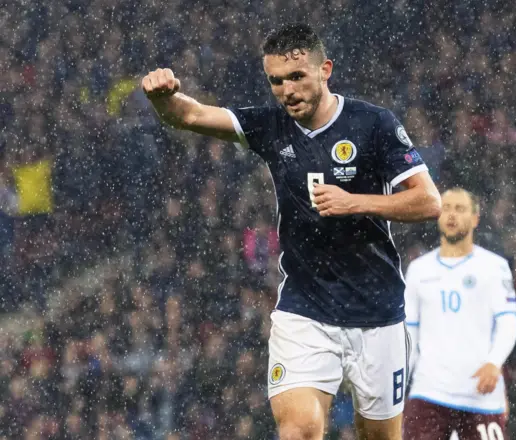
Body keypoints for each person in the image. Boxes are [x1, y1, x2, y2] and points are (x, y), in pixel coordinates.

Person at [141, 23, 441, 440]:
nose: (286, 90)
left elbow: (429, 201)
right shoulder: (272, 126)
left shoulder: (373, 124)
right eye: (276, 81)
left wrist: (355, 202)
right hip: (306, 311)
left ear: (325, 70)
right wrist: (163, 98)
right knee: (299, 428)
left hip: (378, 312)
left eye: (297, 77)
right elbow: (189, 115)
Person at [403, 188, 516, 440]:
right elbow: (409, 334)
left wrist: (494, 362)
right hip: (428, 393)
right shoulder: (418, 270)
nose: (451, 215)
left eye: (460, 208)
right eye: (446, 208)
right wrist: (399, 386)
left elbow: (508, 323)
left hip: (480, 396)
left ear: (476, 218)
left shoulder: (494, 267)